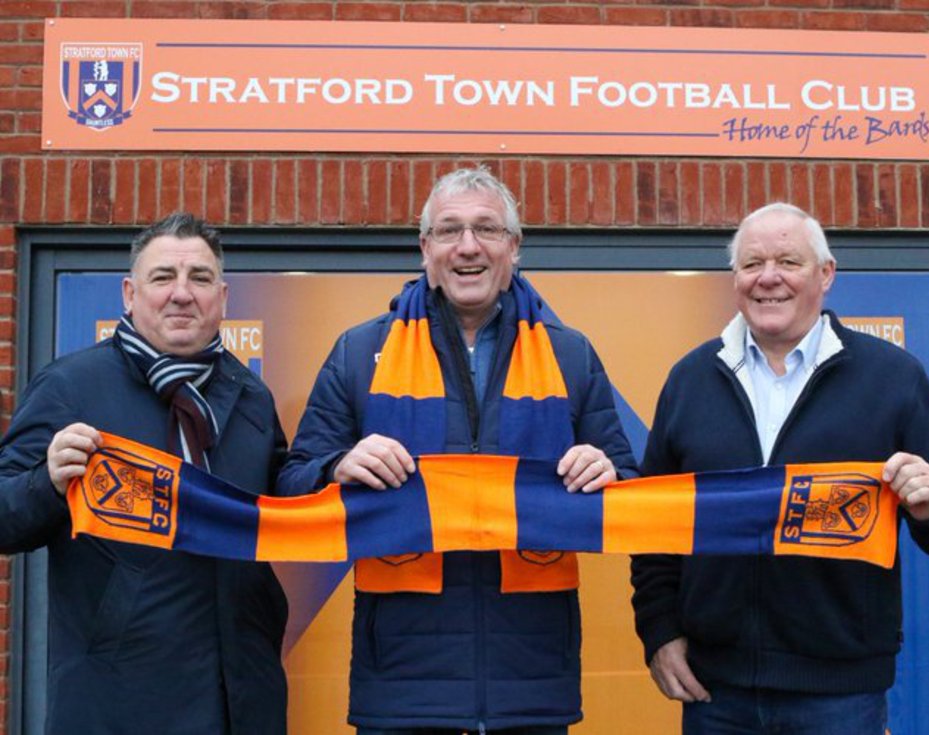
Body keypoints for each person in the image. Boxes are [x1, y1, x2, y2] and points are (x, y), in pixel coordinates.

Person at [277, 166, 637, 734]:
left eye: (487, 229)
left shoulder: (570, 354)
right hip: (400, 683)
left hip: (532, 681)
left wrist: (607, 471)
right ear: (425, 248)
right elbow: (293, 483)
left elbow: (628, 491)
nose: (468, 247)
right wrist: (337, 466)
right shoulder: (358, 351)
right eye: (449, 231)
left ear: (514, 247)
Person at [630, 202, 929, 734]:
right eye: (752, 264)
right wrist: (659, 632)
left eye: (788, 262)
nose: (767, 278)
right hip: (716, 693)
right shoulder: (691, 379)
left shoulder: (891, 377)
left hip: (840, 696)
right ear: (735, 278)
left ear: (826, 275)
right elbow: (652, 524)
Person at [0, 213, 289, 734]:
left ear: (222, 298)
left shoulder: (251, 398)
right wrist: (45, 482)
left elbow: (287, 505)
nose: (182, 294)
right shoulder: (71, 387)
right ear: (130, 294)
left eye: (199, 278)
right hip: (119, 700)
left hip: (240, 698)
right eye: (163, 278)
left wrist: (343, 473)